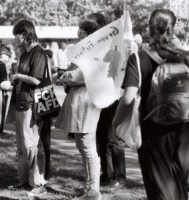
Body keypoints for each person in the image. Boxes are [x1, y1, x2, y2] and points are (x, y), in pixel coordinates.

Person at [113, 9, 189, 200]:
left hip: (152, 131)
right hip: (184, 129)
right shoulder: (184, 56)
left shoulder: (139, 58)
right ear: (172, 29)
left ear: (149, 28)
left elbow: (128, 98)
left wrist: (116, 123)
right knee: (179, 185)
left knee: (160, 190)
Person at [55, 20, 102, 200]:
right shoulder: (85, 51)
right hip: (80, 100)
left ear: (87, 33)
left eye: (80, 32)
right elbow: (70, 73)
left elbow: (74, 75)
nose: (77, 34)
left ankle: (93, 191)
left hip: (86, 102)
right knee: (82, 145)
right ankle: (90, 187)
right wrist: (67, 76)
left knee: (87, 145)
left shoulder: (91, 52)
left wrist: (67, 77)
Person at [88, 12, 127, 186]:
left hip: (113, 97)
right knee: (101, 138)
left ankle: (119, 177)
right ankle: (106, 174)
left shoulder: (113, 44)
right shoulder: (92, 46)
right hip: (97, 97)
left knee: (114, 139)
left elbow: (117, 68)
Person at [10, 20, 47, 197]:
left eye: (16, 35)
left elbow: (37, 80)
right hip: (19, 101)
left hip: (31, 104)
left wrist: (18, 76)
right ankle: (23, 179)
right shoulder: (24, 53)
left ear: (24, 34)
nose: (15, 39)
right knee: (20, 145)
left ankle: (37, 182)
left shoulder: (38, 52)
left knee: (30, 144)